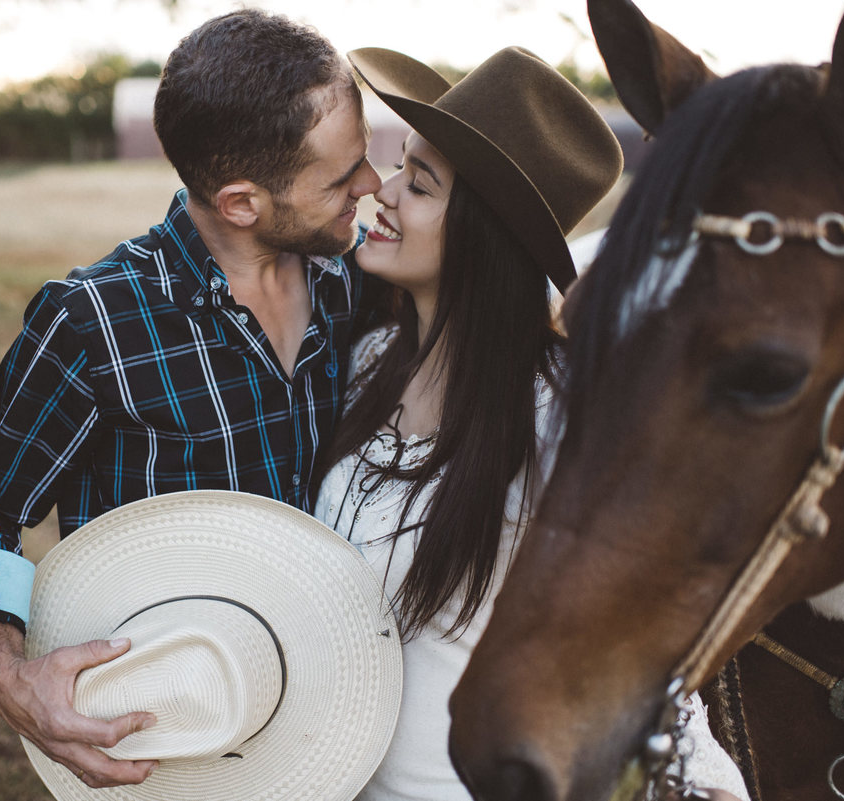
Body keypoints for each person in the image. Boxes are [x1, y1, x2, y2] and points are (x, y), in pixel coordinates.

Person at [314, 47, 748, 800]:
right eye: (398, 167)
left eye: (418, 184)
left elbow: (638, 651)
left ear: (484, 236)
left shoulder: (558, 419)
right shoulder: (368, 362)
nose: (381, 193)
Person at [0, 9, 383, 789]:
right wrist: (7, 670)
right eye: (341, 178)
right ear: (241, 204)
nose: (371, 185)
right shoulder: (91, 323)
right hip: (178, 729)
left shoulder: (358, 282)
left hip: (332, 710)